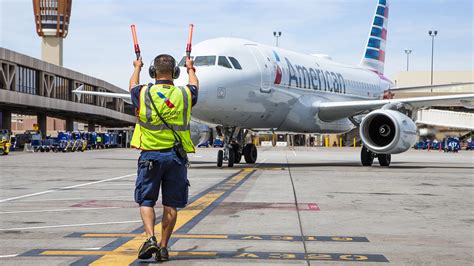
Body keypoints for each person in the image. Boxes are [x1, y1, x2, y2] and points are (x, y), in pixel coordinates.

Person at [129, 54, 198, 261]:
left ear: (153, 72)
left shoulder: (143, 93)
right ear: (175, 73)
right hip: (175, 158)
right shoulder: (184, 95)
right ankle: (164, 247)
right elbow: (194, 86)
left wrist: (137, 67)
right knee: (171, 205)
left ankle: (150, 238)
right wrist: (190, 69)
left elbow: (132, 84)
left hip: (150, 155)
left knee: (146, 201)